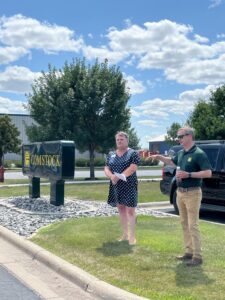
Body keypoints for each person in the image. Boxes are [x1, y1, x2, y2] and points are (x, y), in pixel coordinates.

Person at [152, 127, 212, 266]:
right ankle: (188, 252)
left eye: (180, 136)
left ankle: (197, 257)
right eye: (177, 137)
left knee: (193, 225)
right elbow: (172, 162)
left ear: (189, 136)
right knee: (184, 223)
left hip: (193, 193)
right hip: (180, 193)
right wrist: (160, 157)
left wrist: (189, 175)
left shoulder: (198, 153)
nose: (178, 139)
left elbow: (208, 172)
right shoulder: (181, 153)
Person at [104, 131, 140, 245]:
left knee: (130, 210)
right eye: (118, 140)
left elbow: (133, 168)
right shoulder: (111, 154)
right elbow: (106, 168)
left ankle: (132, 237)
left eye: (122, 139)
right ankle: (125, 234)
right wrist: (111, 176)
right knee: (121, 209)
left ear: (127, 140)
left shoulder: (133, 153)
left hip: (129, 185)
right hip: (116, 185)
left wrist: (119, 177)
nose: (119, 141)